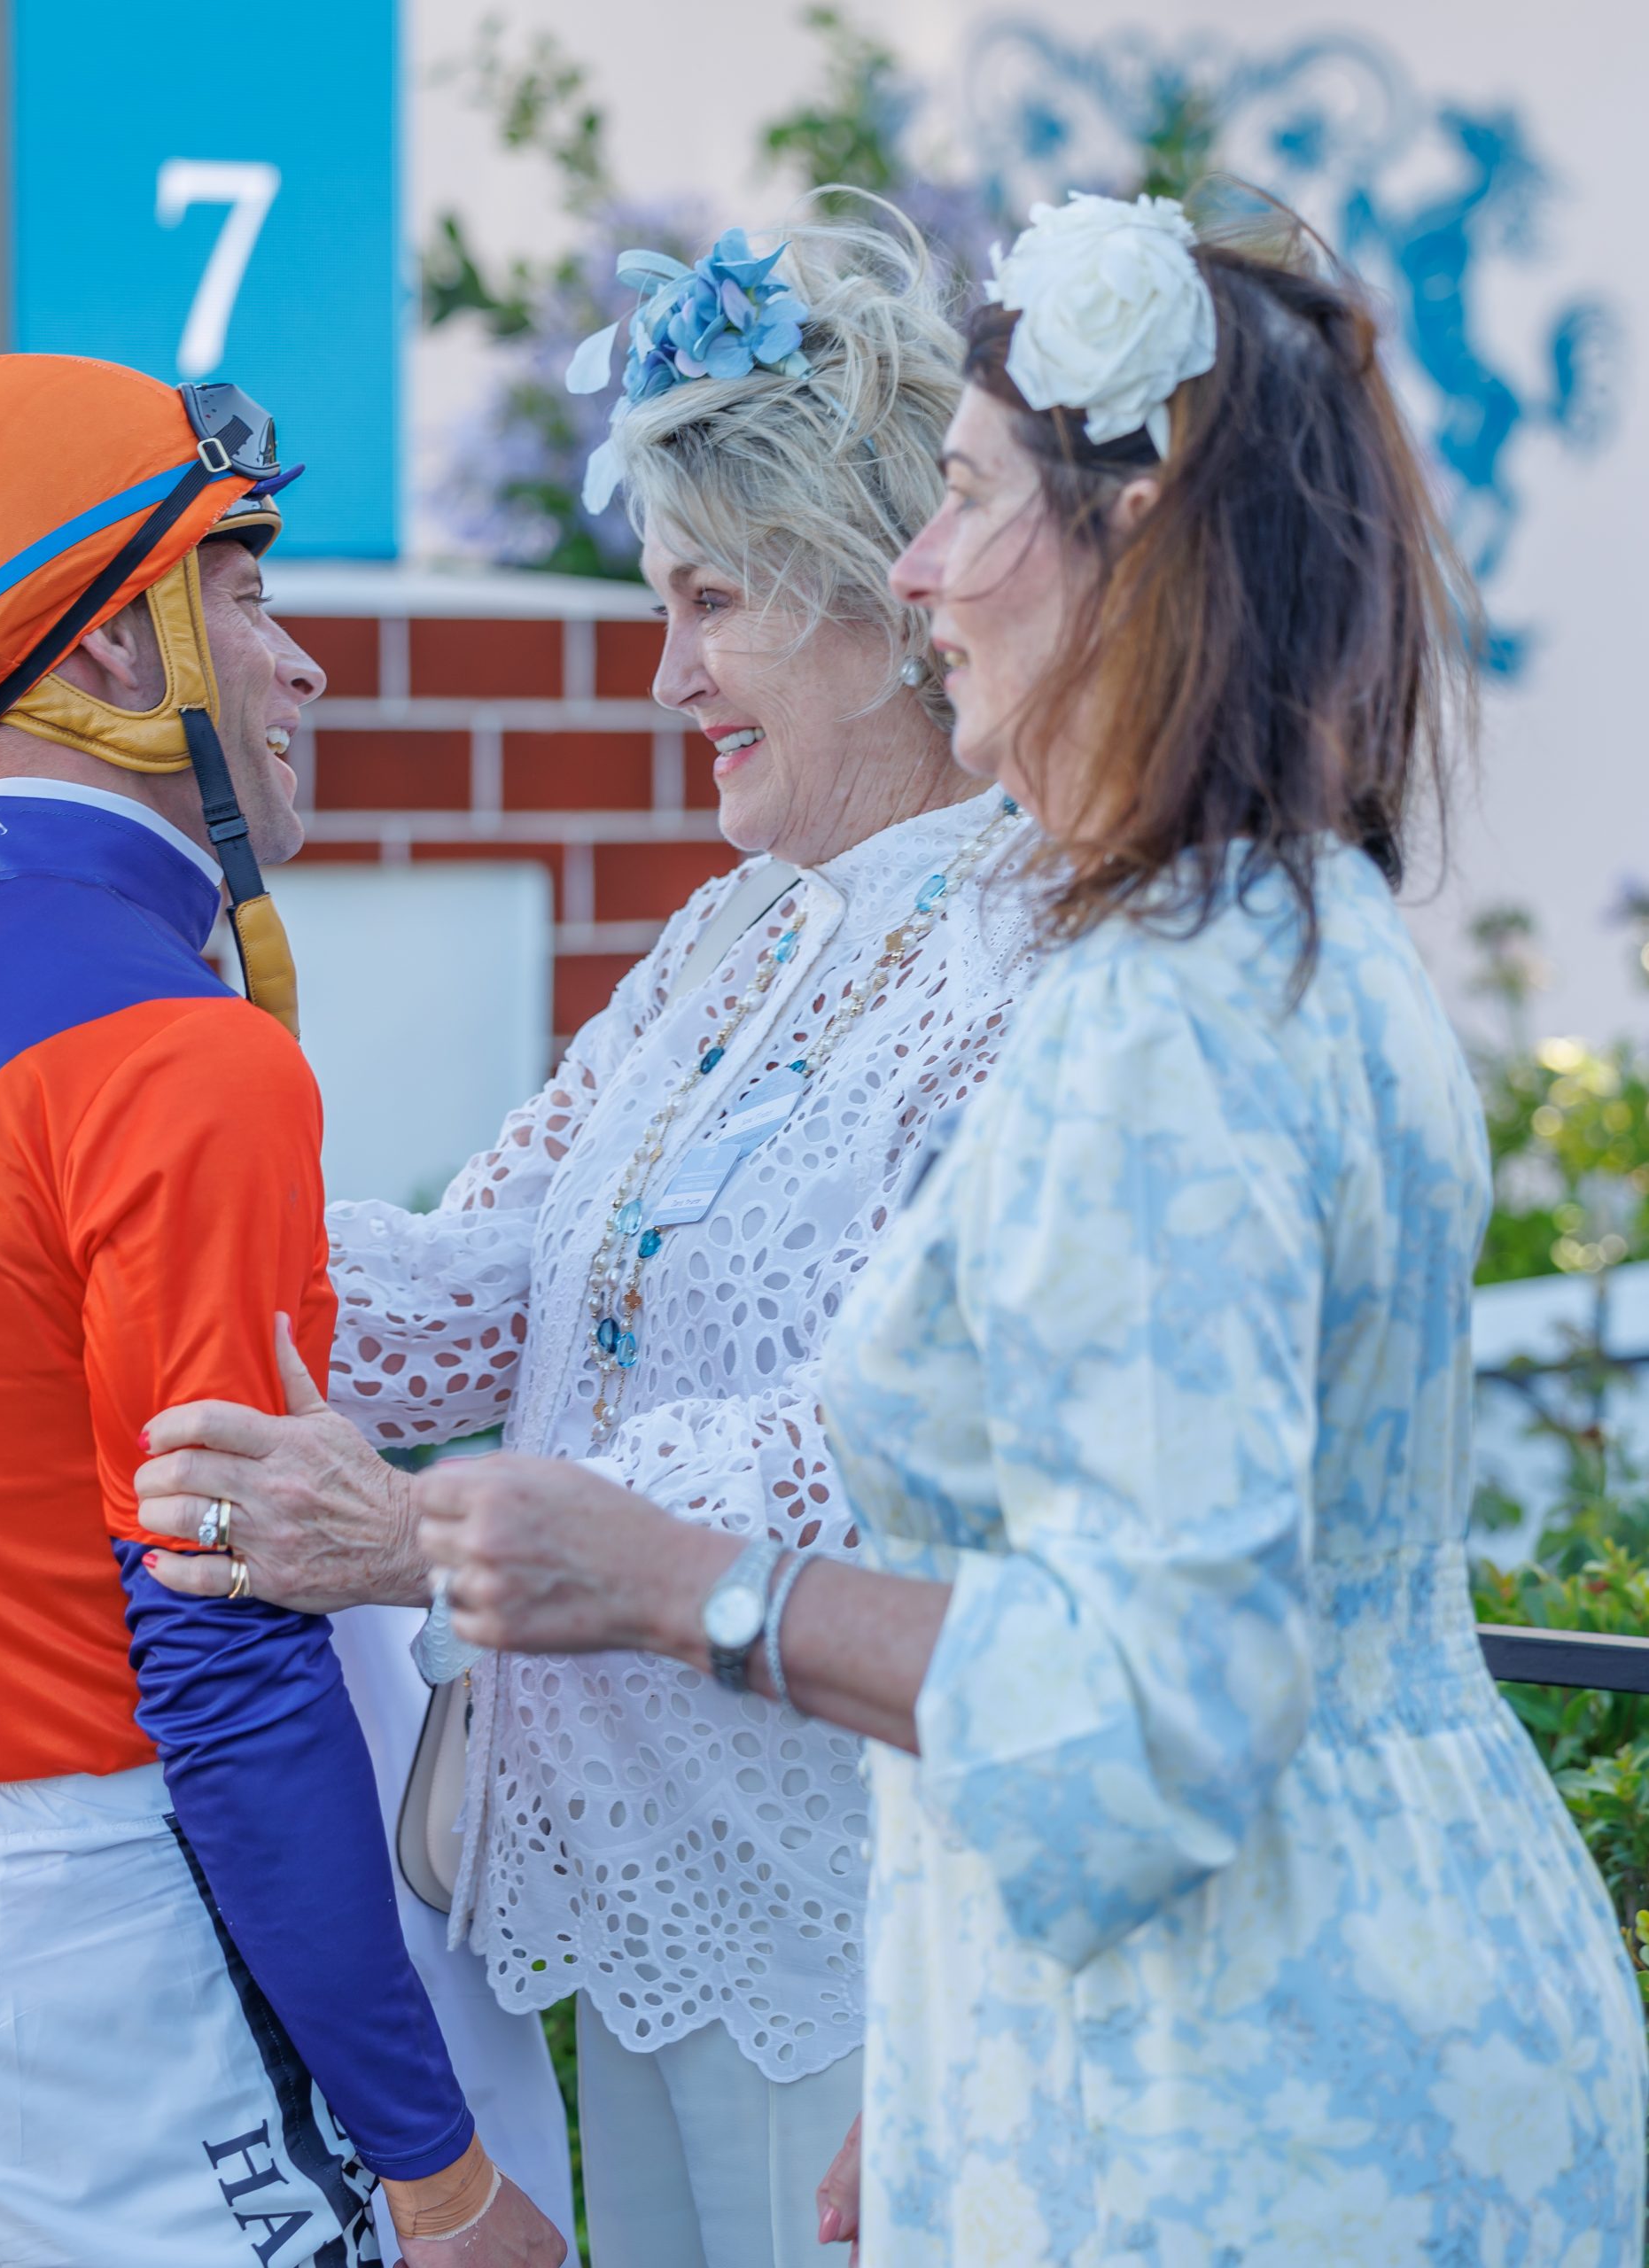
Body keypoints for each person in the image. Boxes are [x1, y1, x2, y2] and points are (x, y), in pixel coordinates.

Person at [389, 191, 1649, 2264]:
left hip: (1257, 2073)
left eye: (962, 496)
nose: (912, 561)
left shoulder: (1161, 1011)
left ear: (1125, 545)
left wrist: (685, 1583)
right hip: (1229, 2005)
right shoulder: (1287, 922)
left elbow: (1147, 1713)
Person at [134, 206, 1038, 2268]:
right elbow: (487, 1281)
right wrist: (132, 1184)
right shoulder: (722, 937)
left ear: (883, 601)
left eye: (708, 602)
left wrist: (430, 1538)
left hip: (859, 1919)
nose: (664, 676)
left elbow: (881, 1442)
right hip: (643, 1889)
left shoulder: (1025, 945)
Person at [0, 329, 564, 2268]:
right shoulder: (189, 1059)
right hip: (82, 1950)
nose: (301, 657)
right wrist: (437, 2174)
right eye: (244, 586)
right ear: (105, 650)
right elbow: (232, 1669)